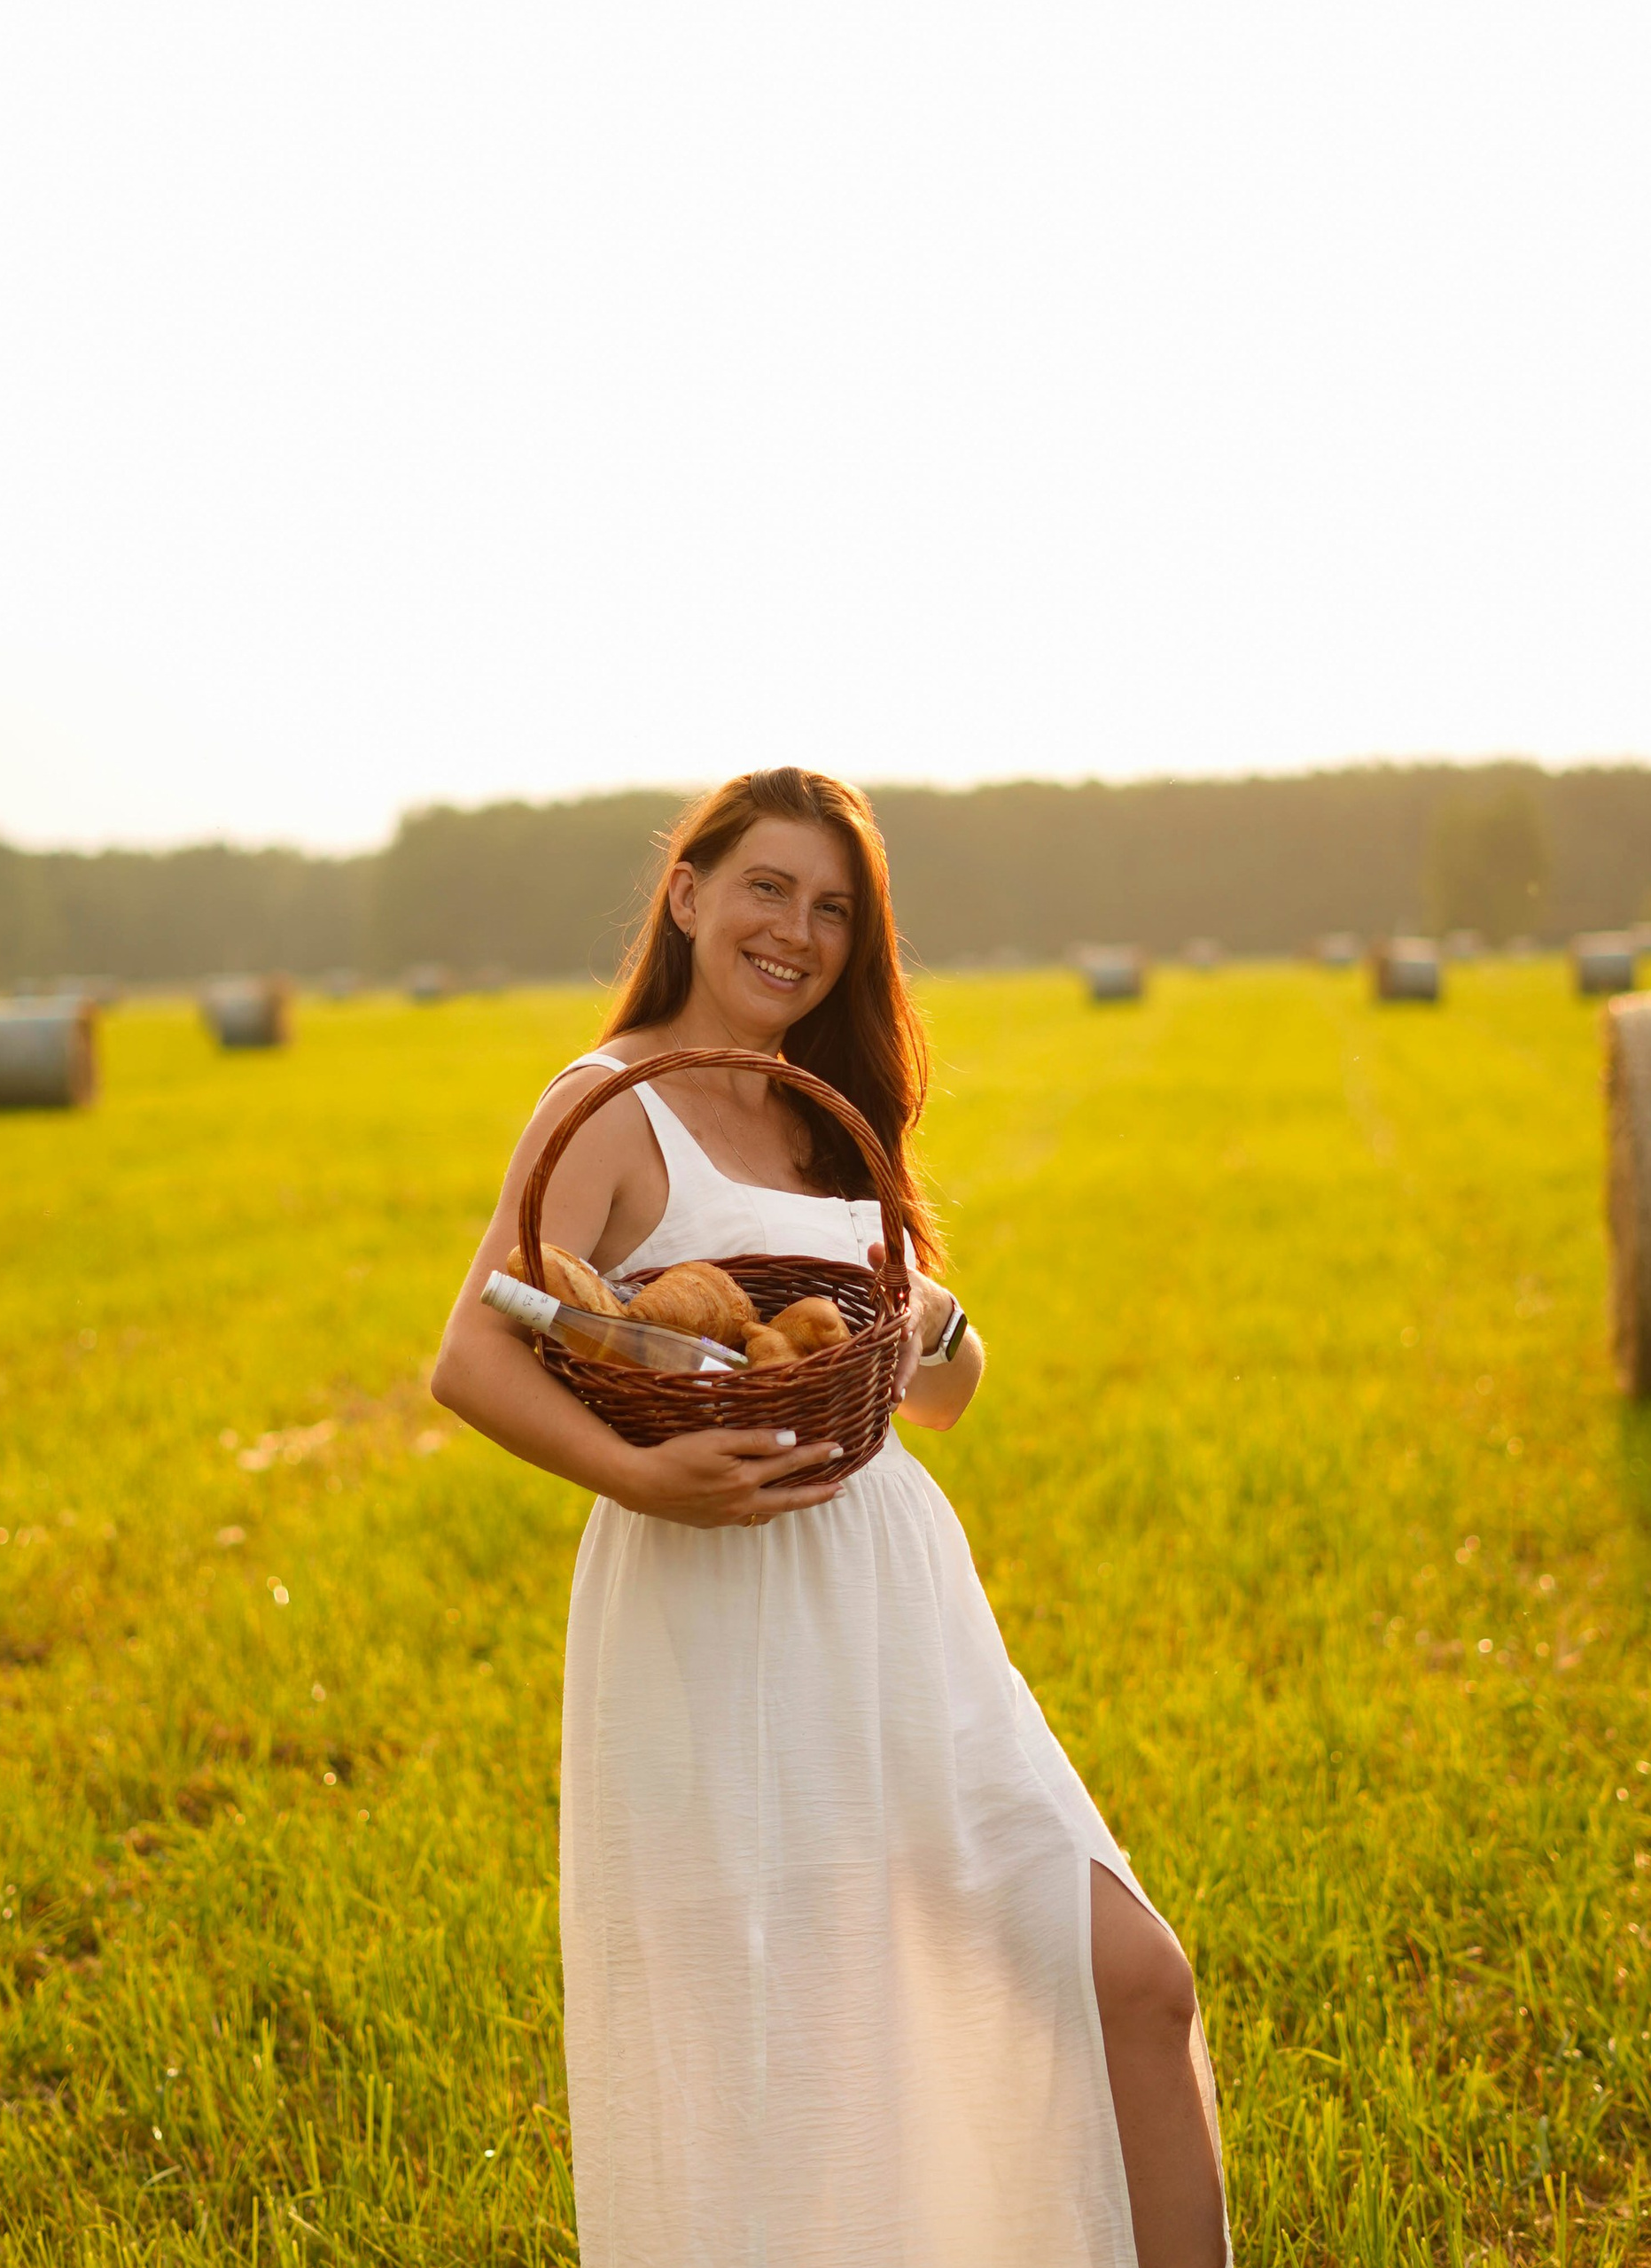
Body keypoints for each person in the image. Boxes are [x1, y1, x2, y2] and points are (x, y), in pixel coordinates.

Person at [432, 768, 1228, 2267]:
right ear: (686, 895)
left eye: (833, 910)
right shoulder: (608, 1108)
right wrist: (643, 1474)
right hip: (719, 1616)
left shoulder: (831, 1122)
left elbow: (945, 1392)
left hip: (900, 1606)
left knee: (1135, 1974)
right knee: (792, 2070)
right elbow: (471, 1354)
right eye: (766, 890)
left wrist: (917, 1311)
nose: (796, 932)